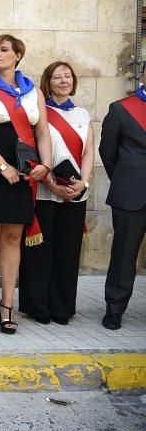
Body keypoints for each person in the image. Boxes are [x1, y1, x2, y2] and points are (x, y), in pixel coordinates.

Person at [0, 34, 51, 335]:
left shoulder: (33, 92)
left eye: (3, 50)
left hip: (25, 169)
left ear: (17, 56)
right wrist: (2, 166)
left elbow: (42, 131)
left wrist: (46, 163)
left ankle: (7, 304)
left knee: (14, 236)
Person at [19, 62, 94, 325]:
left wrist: (83, 184)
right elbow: (36, 150)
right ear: (47, 82)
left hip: (75, 192)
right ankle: (37, 306)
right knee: (41, 251)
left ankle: (62, 308)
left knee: (68, 251)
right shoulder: (41, 112)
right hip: (45, 190)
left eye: (67, 76)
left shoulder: (83, 114)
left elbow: (88, 153)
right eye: (57, 77)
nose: (64, 80)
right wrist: (51, 183)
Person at [98, 66, 146, 330]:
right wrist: (126, 179)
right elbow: (108, 151)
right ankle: (114, 309)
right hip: (131, 194)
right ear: (143, 75)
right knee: (124, 255)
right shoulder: (121, 109)